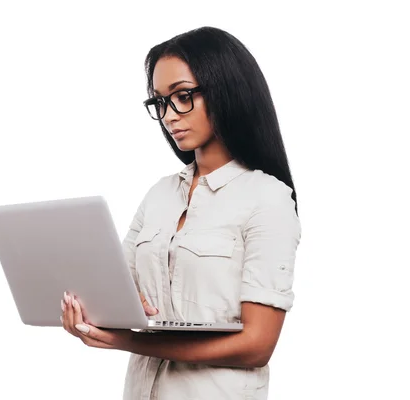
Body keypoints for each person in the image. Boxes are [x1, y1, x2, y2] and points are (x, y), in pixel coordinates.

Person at [60, 26, 301, 399]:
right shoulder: (159, 195)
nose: (170, 115)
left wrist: (128, 341)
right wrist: (90, 313)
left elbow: (257, 345)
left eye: (183, 96)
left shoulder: (267, 198)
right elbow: (118, 288)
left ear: (227, 91)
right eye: (160, 102)